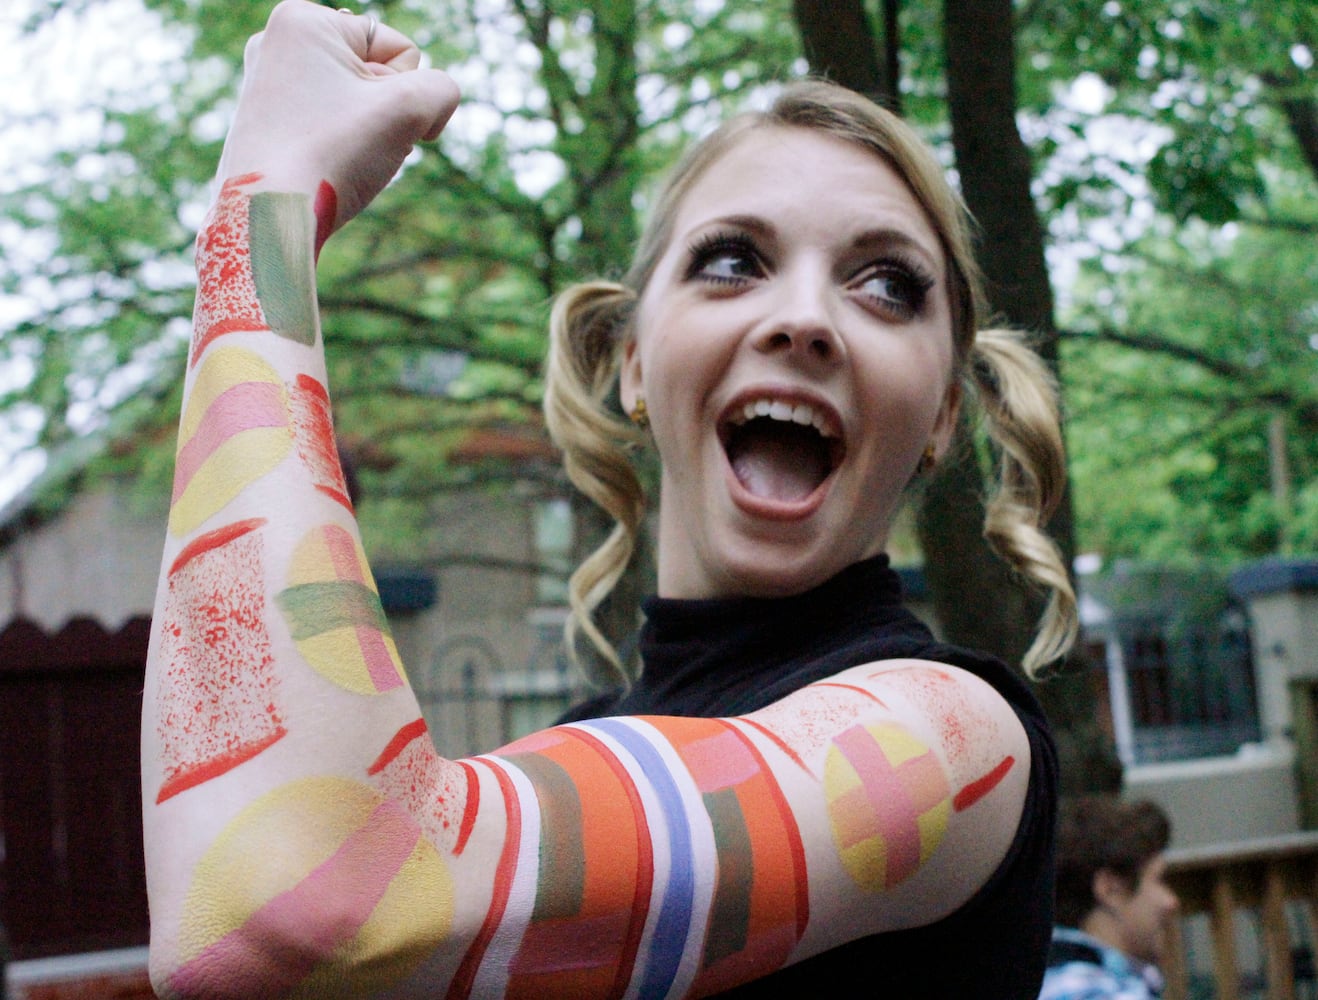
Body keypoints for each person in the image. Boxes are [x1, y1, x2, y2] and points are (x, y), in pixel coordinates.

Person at [140, 2, 1079, 996]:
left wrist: (262, 200)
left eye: (888, 284)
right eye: (731, 260)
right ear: (631, 362)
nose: (805, 319)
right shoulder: (574, 744)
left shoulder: (950, 741)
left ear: (941, 413)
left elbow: (299, 901)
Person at [1040, 797, 1179, 1000]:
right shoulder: (1099, 993)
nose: (1171, 901)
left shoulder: (1036, 979)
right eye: (1157, 880)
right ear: (1109, 888)